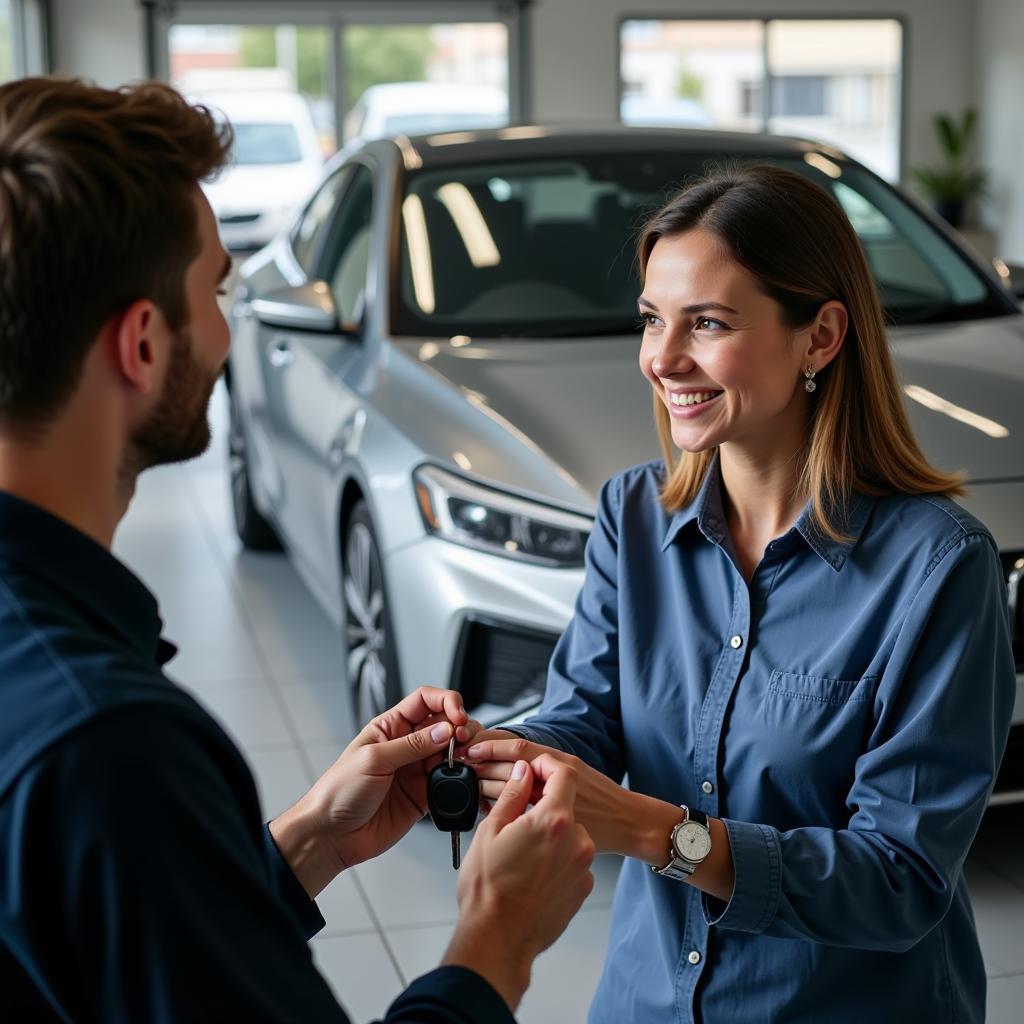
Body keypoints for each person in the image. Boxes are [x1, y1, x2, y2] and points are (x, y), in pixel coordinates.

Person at [0, 76, 594, 1023]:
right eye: (216, 291)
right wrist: (498, 939)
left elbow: (126, 955)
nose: (232, 326)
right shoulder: (108, 746)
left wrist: (310, 840)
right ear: (144, 344)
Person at [460, 165, 1017, 1023]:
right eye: (652, 319)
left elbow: (901, 880)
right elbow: (587, 720)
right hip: (648, 999)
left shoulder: (938, 568)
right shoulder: (633, 516)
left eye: (707, 323)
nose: (662, 358)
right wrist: (480, 748)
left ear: (821, 337)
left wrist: (660, 834)